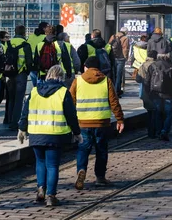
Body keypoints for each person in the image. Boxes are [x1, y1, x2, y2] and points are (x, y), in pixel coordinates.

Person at [18, 65, 81, 207]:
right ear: (61, 77)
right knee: (52, 165)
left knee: (40, 162)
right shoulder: (63, 92)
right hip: (55, 135)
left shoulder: (34, 91)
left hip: (36, 133)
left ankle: (41, 190)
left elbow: (25, 112)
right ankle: (51, 196)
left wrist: (22, 129)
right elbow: (71, 115)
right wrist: (77, 133)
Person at [70, 56, 124, 190]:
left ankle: (81, 170)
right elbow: (114, 102)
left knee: (83, 149)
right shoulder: (106, 81)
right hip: (102, 123)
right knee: (101, 150)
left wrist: (70, 122)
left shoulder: (78, 81)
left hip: (83, 123)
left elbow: (70, 102)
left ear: (85, 67)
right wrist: (120, 119)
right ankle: (100, 177)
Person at [4, 25, 33, 131]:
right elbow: (29, 61)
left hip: (9, 74)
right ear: (24, 33)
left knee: (10, 98)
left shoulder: (8, 43)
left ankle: (9, 119)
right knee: (19, 100)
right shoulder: (26, 45)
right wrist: (27, 71)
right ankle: (15, 122)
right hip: (21, 74)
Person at [145, 52, 172, 141]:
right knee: (170, 113)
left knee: (157, 113)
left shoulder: (152, 66)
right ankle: (165, 131)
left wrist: (148, 93)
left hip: (155, 94)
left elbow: (147, 81)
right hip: (169, 94)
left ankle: (159, 131)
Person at [136, 50, 158, 138]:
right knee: (156, 112)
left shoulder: (143, 65)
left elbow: (138, 79)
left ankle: (150, 132)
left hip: (145, 91)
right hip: (155, 91)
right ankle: (155, 131)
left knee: (149, 112)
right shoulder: (157, 65)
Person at [107, 27, 130, 97]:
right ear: (125, 32)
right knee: (119, 75)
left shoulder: (113, 36)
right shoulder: (125, 38)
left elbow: (108, 46)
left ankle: (112, 91)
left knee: (113, 75)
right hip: (120, 58)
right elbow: (125, 49)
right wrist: (125, 58)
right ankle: (117, 91)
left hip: (113, 58)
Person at [27, 22, 48, 86]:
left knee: (35, 86)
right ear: (44, 28)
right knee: (42, 86)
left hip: (31, 65)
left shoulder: (30, 37)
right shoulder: (45, 38)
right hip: (41, 65)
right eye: (48, 27)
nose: (49, 29)